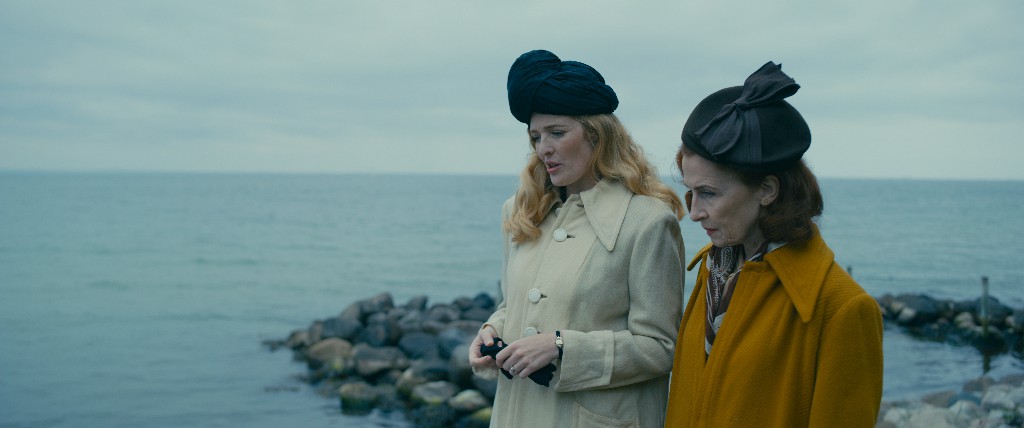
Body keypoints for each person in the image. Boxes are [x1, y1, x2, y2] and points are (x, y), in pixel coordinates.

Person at [468, 49, 686, 427]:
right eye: (536, 136)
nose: (544, 148)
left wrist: (561, 346)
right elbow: (511, 304)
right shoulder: (521, 211)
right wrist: (492, 329)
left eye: (557, 132)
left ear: (597, 135)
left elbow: (661, 347)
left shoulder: (648, 221)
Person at [664, 62, 884, 427]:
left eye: (709, 193)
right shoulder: (715, 270)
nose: (695, 212)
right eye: (690, 192)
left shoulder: (842, 309)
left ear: (767, 190)